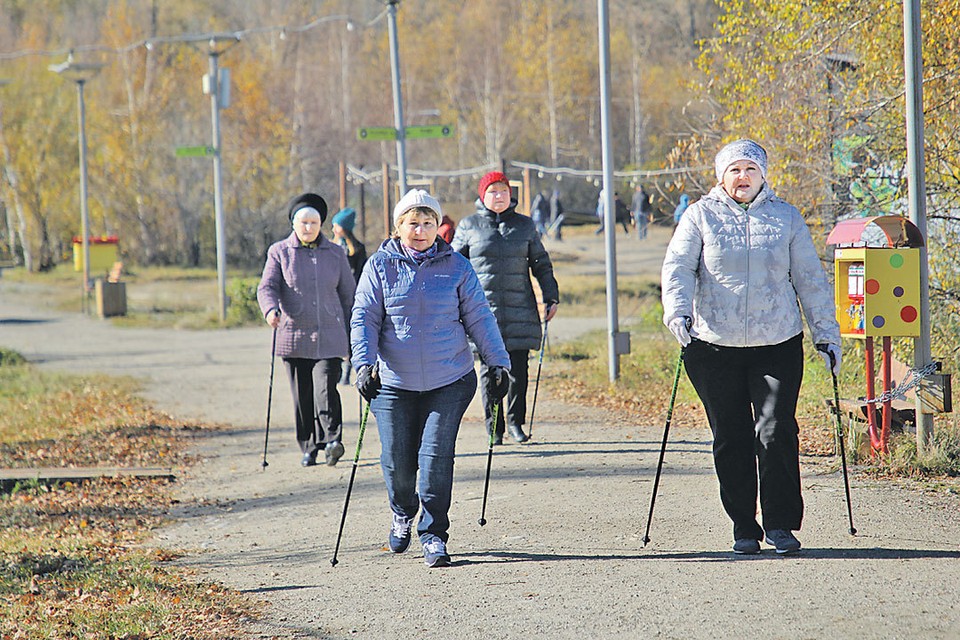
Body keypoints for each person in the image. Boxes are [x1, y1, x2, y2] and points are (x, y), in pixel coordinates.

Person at [660, 139, 841, 555]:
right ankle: (744, 524)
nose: (743, 178)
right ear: (721, 176)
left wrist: (825, 332)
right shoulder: (699, 216)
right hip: (712, 344)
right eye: (735, 170)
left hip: (776, 341)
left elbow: (810, 279)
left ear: (764, 175)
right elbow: (679, 268)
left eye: (750, 170)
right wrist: (678, 313)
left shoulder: (786, 218)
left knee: (776, 430)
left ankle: (780, 524)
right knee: (731, 434)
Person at [351, 189, 510, 568]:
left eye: (428, 223)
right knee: (397, 464)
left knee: (436, 459)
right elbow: (365, 317)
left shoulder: (457, 266)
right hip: (392, 382)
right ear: (398, 226)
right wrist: (363, 364)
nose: (420, 230)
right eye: (412, 223)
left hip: (449, 379)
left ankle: (434, 533)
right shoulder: (380, 265)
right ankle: (403, 511)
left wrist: (498, 362)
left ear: (439, 227)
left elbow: (480, 317)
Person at [452, 171, 560, 444]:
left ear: (510, 195)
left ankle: (515, 423)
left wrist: (551, 296)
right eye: (492, 191)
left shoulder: (525, 226)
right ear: (482, 195)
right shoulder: (468, 226)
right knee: (489, 371)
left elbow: (541, 264)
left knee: (518, 370)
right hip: (482, 312)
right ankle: (494, 427)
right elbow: (452, 267)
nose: (498, 196)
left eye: (503, 191)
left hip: (520, 309)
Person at [258, 193, 356, 468]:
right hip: (293, 334)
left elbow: (349, 295)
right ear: (293, 224)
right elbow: (267, 287)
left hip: (330, 334)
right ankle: (310, 446)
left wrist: (355, 336)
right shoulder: (279, 252)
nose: (309, 227)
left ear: (321, 224)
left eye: (314, 222)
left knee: (325, 386)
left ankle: (333, 440)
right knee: (302, 395)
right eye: (304, 222)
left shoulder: (336, 253)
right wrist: (270, 310)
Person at [331, 207, 368, 385]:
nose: (333, 229)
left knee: (349, 333)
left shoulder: (358, 249)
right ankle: (337, 370)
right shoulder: (331, 248)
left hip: (351, 297)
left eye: (335, 225)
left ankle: (348, 371)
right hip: (333, 297)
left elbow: (361, 273)